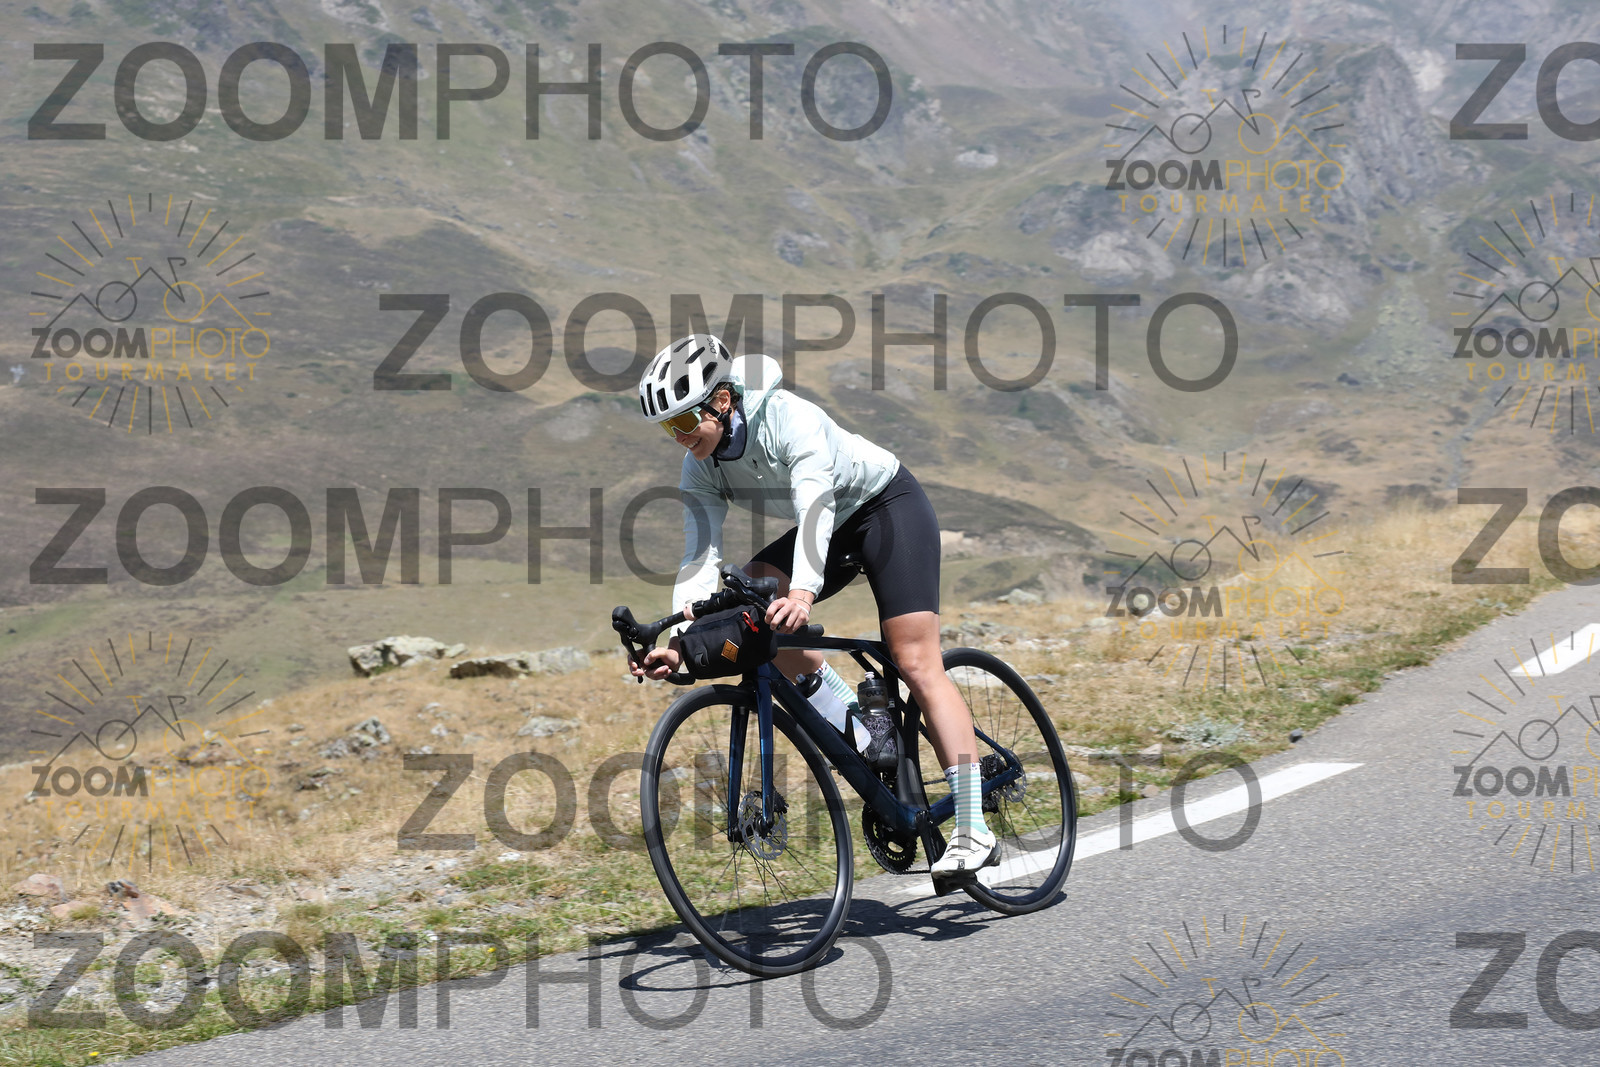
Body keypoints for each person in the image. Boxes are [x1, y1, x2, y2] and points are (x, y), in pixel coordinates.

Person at [629, 334, 996, 875]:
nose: (680, 438)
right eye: (669, 429)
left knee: (915, 661)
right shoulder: (700, 466)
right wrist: (680, 643)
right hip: (828, 527)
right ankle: (865, 733)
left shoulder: (789, 418)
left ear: (722, 401)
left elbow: (816, 504)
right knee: (751, 612)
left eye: (684, 422)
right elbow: (700, 557)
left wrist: (802, 591)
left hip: (884, 508)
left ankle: (973, 825)